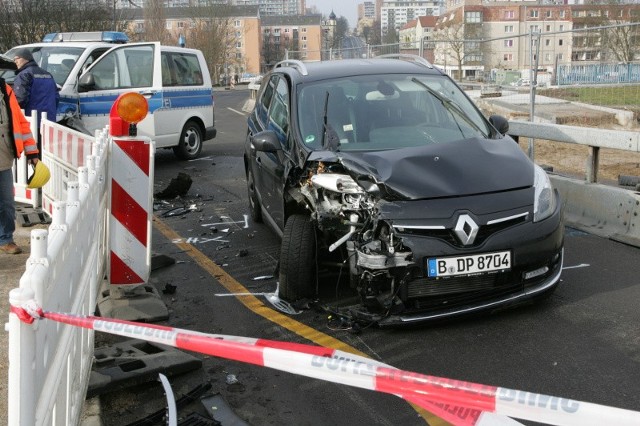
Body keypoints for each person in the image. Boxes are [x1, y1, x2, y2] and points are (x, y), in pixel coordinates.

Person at [0, 72, 41, 254]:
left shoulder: (5, 90)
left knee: (7, 204)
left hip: (4, 158)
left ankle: (5, 239)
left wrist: (32, 152)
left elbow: (21, 125)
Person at [12, 48, 59, 128]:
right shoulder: (48, 75)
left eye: (17, 58)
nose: (15, 61)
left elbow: (20, 99)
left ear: (26, 58)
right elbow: (56, 98)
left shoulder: (24, 75)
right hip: (49, 122)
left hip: (31, 122)